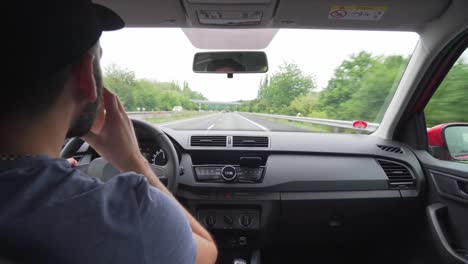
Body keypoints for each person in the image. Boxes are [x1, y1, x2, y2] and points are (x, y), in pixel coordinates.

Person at [0, 1, 217, 263]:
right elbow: (207, 252)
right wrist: (133, 160)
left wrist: (51, 167)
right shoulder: (132, 216)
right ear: (86, 78)